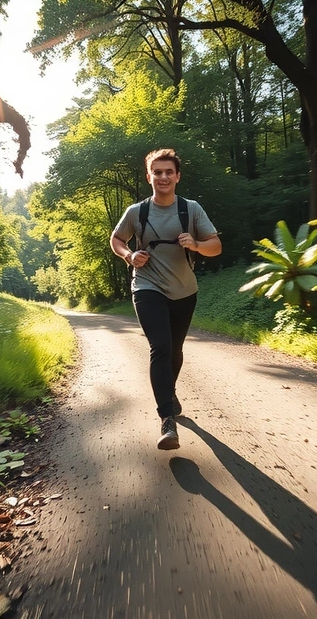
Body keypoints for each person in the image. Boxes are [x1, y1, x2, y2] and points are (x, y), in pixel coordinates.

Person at [110, 149, 222, 450]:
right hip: (147, 286)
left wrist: (197, 244)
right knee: (160, 347)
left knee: (175, 350)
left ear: (177, 176)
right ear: (149, 177)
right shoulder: (137, 212)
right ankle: (167, 419)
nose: (162, 177)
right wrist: (129, 255)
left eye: (168, 172)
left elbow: (216, 246)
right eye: (156, 172)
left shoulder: (191, 209)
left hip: (185, 290)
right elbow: (116, 239)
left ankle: (168, 391)